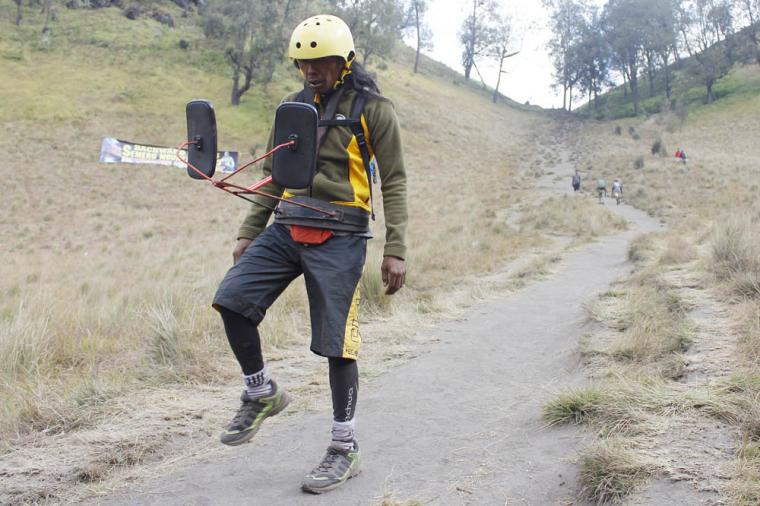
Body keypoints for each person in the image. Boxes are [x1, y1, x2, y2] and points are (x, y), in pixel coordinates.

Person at [211, 14, 407, 494]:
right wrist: (248, 230)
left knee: (337, 343)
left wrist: (395, 247)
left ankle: (344, 446)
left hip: (342, 234)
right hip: (287, 224)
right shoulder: (294, 108)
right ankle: (261, 393)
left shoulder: (374, 109)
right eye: (304, 62)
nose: (311, 71)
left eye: (320, 62)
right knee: (231, 300)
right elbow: (278, 173)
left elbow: (396, 179)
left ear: (345, 60)